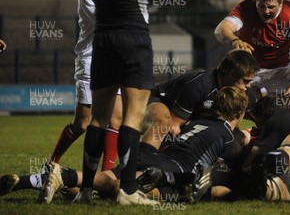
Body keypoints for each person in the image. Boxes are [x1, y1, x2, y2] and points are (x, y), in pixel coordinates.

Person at [74, 0, 195, 205]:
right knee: (132, 116)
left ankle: (86, 190)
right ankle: (127, 191)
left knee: (98, 120)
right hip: (134, 41)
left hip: (103, 40)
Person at [2, 86, 249, 204]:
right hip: (172, 166)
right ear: (238, 113)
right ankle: (68, 181)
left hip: (149, 153)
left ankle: (55, 177)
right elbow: (235, 165)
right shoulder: (228, 135)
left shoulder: (198, 122)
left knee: (102, 179)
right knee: (134, 190)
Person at [46, 0, 123, 178]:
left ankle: (105, 178)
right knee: (82, 123)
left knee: (115, 120)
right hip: (91, 61)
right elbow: (105, 23)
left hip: (116, 61)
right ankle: (51, 164)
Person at [214, 0, 290, 102]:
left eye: (271, 7)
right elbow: (220, 30)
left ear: (280, 3)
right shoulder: (245, 8)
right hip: (248, 71)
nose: (266, 11)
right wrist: (235, 40)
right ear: (256, 0)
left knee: (289, 112)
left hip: (280, 72)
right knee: (231, 108)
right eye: (261, 6)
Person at [142, 49, 259, 149]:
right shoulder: (200, 85)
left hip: (191, 117)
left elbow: (241, 123)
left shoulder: (244, 92)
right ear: (232, 74)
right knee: (165, 124)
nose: (248, 86)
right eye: (246, 81)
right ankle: (144, 164)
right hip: (157, 100)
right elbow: (175, 127)